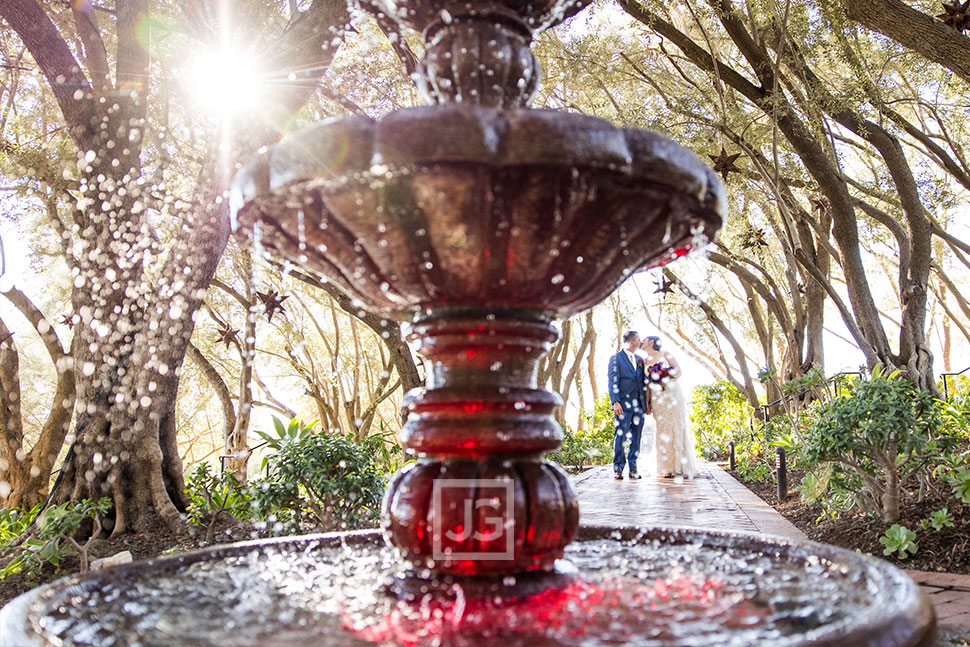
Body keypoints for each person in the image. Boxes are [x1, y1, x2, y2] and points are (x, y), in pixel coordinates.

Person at [641, 335, 698, 479]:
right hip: (657, 398)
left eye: (644, 340)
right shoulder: (644, 362)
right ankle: (666, 468)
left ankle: (682, 466)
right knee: (663, 428)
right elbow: (647, 384)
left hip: (673, 394)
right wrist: (647, 403)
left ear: (651, 342)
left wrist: (665, 380)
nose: (642, 342)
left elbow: (678, 371)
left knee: (677, 426)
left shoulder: (665, 354)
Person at [608, 331, 647, 480]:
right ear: (632, 342)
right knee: (621, 436)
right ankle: (618, 469)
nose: (641, 341)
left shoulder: (640, 360)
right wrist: (615, 402)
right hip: (622, 405)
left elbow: (644, 383)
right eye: (638, 339)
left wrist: (647, 404)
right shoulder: (616, 359)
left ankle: (633, 469)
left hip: (639, 406)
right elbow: (613, 382)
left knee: (636, 438)